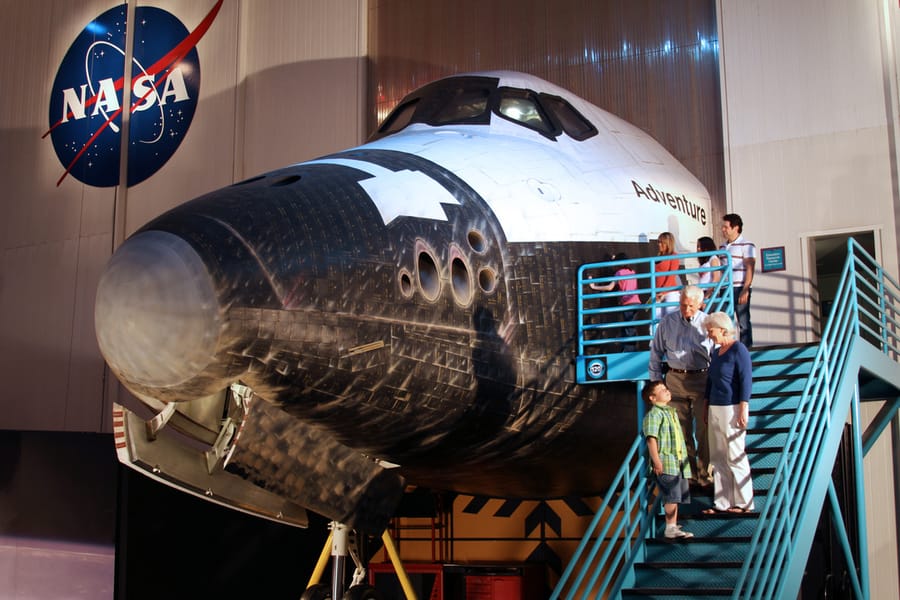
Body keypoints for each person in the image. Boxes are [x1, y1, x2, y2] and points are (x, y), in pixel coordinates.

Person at [648, 285, 714, 487]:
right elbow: (656, 353)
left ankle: (706, 476)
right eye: (683, 305)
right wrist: (657, 383)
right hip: (675, 380)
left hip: (701, 378)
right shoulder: (667, 322)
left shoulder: (707, 323)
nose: (686, 310)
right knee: (681, 430)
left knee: (704, 430)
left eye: (691, 306)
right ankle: (690, 475)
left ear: (700, 304)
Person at [702, 311, 754, 514]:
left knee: (735, 454)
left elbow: (746, 379)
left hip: (732, 406)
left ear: (722, 329)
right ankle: (722, 502)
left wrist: (743, 406)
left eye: (711, 330)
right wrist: (706, 405)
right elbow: (710, 381)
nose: (709, 334)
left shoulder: (738, 349)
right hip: (715, 406)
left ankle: (744, 503)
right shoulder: (716, 352)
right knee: (718, 457)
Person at [641, 380, 694, 539]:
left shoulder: (670, 412)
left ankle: (673, 525)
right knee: (671, 495)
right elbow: (651, 439)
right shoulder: (654, 414)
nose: (667, 391)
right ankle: (670, 528)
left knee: (676, 495)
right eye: (662, 390)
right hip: (666, 461)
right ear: (652, 398)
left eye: (666, 388)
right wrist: (656, 461)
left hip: (677, 461)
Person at [590, 252, 640, 351]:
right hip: (636, 302)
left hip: (627, 303)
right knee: (629, 326)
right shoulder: (632, 272)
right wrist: (615, 258)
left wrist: (594, 286)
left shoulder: (619, 273)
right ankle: (629, 348)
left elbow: (610, 287)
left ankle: (628, 350)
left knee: (627, 327)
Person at [721, 214, 756, 347]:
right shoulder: (722, 247)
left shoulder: (747, 245)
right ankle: (726, 347)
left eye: (726, 227)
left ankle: (746, 350)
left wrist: (746, 288)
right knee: (724, 321)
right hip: (725, 289)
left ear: (735, 228)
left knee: (743, 321)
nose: (723, 230)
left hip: (739, 287)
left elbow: (750, 267)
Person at [654, 232, 680, 319]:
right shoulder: (658, 256)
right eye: (658, 242)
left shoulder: (674, 256)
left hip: (670, 291)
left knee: (671, 318)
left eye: (662, 242)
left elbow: (671, 275)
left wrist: (663, 291)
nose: (659, 244)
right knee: (656, 321)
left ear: (668, 243)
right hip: (658, 292)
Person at [696, 236, 721, 307]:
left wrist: (707, 295)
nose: (698, 249)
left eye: (700, 246)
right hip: (701, 292)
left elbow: (716, 278)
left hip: (709, 292)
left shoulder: (713, 258)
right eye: (697, 246)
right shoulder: (704, 261)